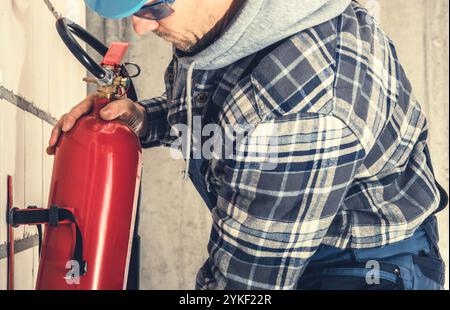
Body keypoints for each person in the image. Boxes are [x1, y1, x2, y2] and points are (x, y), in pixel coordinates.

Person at [48, 0, 448, 290]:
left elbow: (244, 287)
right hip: (302, 238)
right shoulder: (238, 19)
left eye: (153, 9)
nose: (139, 27)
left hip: (363, 269)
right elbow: (227, 106)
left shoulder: (302, 110)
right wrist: (144, 118)